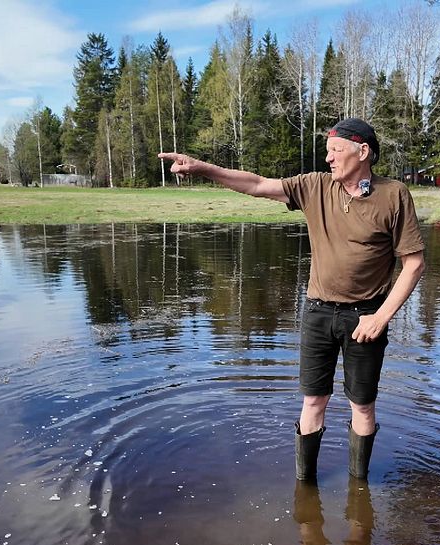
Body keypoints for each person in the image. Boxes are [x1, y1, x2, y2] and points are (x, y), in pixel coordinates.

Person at [159, 117, 425, 481]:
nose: (328, 159)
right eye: (327, 151)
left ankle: (358, 487)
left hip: (365, 317)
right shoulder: (314, 186)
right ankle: (306, 488)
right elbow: (255, 184)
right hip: (317, 313)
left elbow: (413, 264)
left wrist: (380, 318)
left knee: (362, 406)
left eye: (336, 151)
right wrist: (203, 168)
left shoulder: (393, 195)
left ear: (363, 152)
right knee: (313, 400)